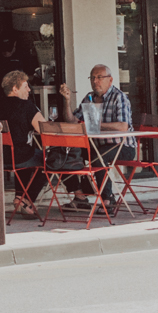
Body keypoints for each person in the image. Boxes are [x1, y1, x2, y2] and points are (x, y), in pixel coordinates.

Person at [60, 64, 135, 214]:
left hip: (122, 146)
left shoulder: (119, 97)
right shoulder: (89, 98)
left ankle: (108, 199)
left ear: (110, 80)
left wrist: (97, 126)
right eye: (93, 78)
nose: (95, 81)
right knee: (62, 154)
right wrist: (67, 101)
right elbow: (72, 121)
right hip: (95, 146)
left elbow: (123, 126)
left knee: (98, 157)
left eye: (100, 77)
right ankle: (80, 196)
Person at [0, 70, 51, 218]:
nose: (29, 89)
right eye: (25, 86)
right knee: (50, 161)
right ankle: (25, 200)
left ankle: (20, 197)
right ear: (15, 89)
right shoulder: (26, 106)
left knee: (26, 154)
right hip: (18, 157)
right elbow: (45, 129)